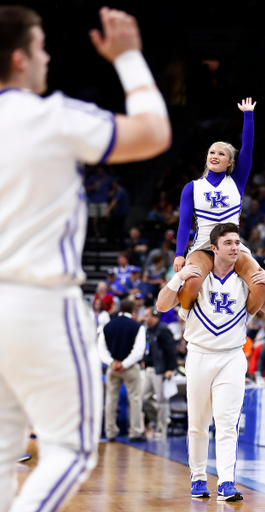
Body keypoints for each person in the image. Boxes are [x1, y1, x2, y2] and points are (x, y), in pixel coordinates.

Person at [0, 5, 171, 512]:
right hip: (38, 302)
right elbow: (153, 133)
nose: (47, 56)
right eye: (40, 47)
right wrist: (131, 58)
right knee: (70, 450)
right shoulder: (50, 116)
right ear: (19, 58)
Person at [156, 222, 265, 501]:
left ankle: (226, 482)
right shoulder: (196, 278)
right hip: (200, 354)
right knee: (198, 423)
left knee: (227, 423)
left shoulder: (248, 283)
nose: (235, 247)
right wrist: (177, 278)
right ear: (213, 248)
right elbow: (161, 306)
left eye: (238, 243)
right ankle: (198, 477)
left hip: (232, 356)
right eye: (229, 243)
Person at [173, 98, 265, 321]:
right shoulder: (192, 187)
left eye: (221, 154)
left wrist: (248, 115)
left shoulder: (237, 182)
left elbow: (248, 147)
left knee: (261, 284)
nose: (215, 156)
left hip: (232, 246)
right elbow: (184, 223)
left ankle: (244, 317)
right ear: (207, 159)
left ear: (229, 163)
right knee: (193, 281)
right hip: (204, 245)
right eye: (211, 152)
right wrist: (179, 254)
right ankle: (186, 310)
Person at [98, 299, 146, 442]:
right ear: (134, 311)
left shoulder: (107, 326)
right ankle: (135, 432)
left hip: (112, 368)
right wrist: (124, 364)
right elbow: (138, 351)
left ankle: (110, 431)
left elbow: (101, 349)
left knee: (111, 400)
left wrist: (112, 362)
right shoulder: (138, 326)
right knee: (135, 399)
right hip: (130, 368)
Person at [142, 307, 177, 438]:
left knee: (162, 400)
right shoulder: (148, 331)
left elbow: (171, 350)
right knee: (144, 397)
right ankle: (161, 420)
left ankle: (162, 429)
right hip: (149, 369)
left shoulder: (163, 330)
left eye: (146, 316)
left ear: (154, 317)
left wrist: (170, 368)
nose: (144, 318)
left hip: (161, 369)